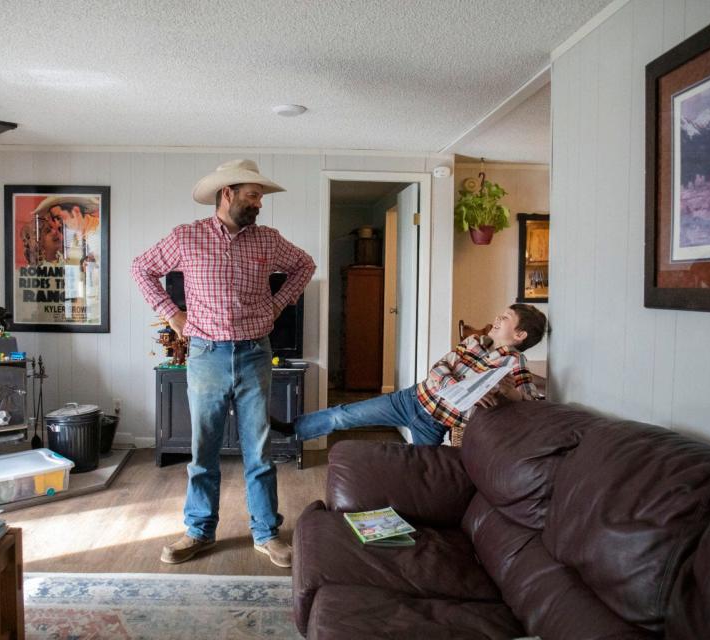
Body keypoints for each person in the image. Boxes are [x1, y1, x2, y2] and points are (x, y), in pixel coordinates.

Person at [131, 159, 315, 568]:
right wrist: (172, 314)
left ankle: (266, 533)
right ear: (227, 193)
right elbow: (141, 268)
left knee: (259, 449)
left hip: (254, 353)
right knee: (203, 449)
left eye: (261, 198)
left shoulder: (268, 240)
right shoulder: (186, 237)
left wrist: (277, 303)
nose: (259, 204)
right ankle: (198, 531)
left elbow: (305, 265)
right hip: (205, 355)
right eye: (253, 195)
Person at [272, 304, 547, 445]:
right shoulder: (475, 341)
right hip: (410, 399)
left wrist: (510, 393)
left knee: (420, 476)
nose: (498, 319)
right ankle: (290, 429)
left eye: (506, 318)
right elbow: (439, 367)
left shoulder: (513, 363)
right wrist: (458, 387)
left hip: (435, 424)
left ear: (520, 334)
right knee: (342, 415)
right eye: (501, 314)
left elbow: (533, 402)